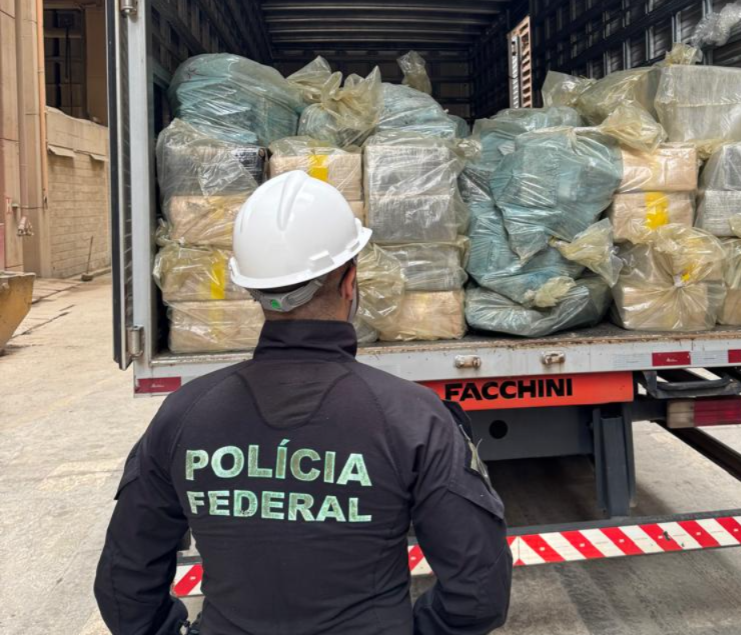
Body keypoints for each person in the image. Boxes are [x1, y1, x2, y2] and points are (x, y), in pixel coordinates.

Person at [94, 170, 512, 634]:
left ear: (252, 290)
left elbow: (124, 584)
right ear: (350, 281)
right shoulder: (414, 418)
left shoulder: (183, 416)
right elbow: (479, 592)